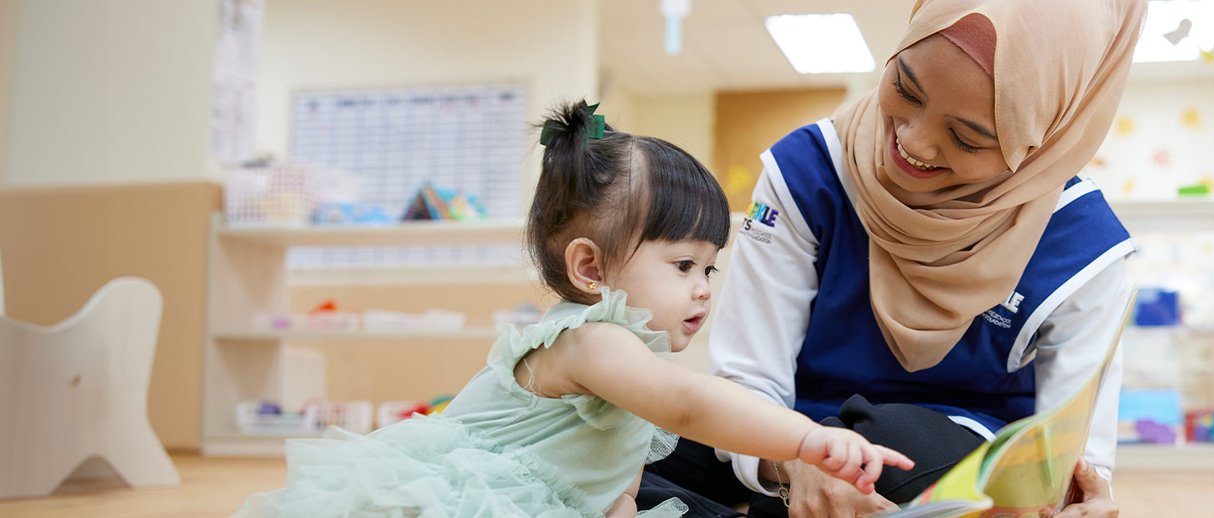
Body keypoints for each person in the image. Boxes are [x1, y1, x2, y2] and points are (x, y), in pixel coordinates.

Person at [237, 101, 913, 518]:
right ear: (590, 268)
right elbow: (688, 405)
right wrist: (805, 440)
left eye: (709, 267)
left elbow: (614, 481)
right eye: (682, 266)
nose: (704, 287)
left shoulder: (625, 355)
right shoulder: (592, 341)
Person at [643, 1, 1146, 517]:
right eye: (905, 89)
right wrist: (796, 460)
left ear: (1042, 143)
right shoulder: (808, 172)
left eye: (967, 137)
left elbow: (1070, 454)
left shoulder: (1081, 244)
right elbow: (749, 380)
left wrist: (1082, 495)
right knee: (627, 430)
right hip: (791, 432)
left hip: (949, 451)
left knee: (885, 448)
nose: (913, 142)